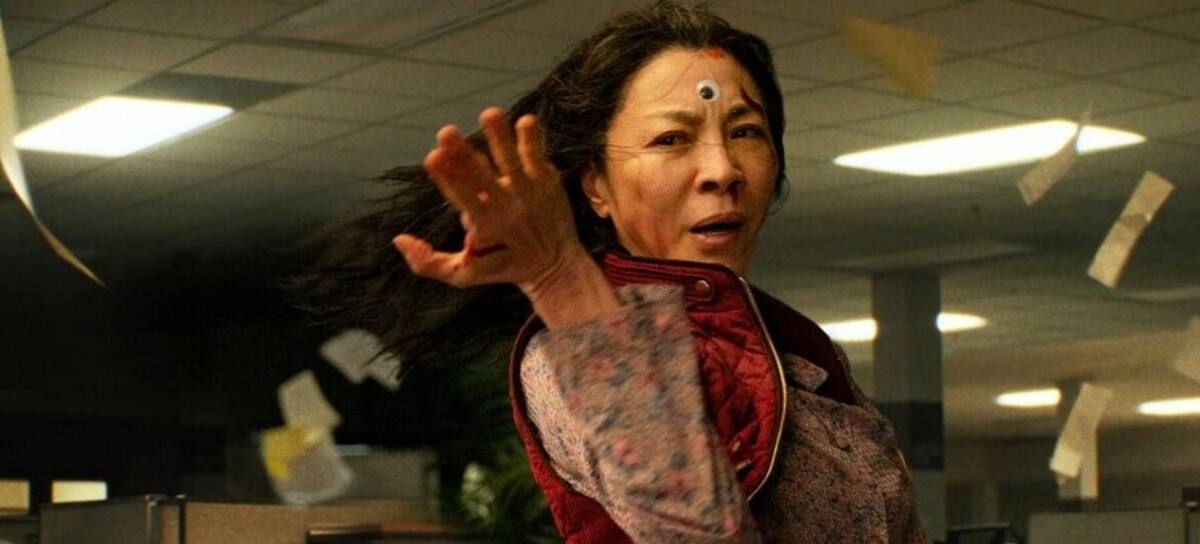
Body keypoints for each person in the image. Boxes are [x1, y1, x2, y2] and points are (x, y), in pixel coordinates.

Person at [293, 2, 929, 542]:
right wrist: (559, 276)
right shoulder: (565, 349)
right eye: (671, 139)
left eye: (746, 131)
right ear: (596, 185)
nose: (723, 170)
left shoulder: (797, 341)